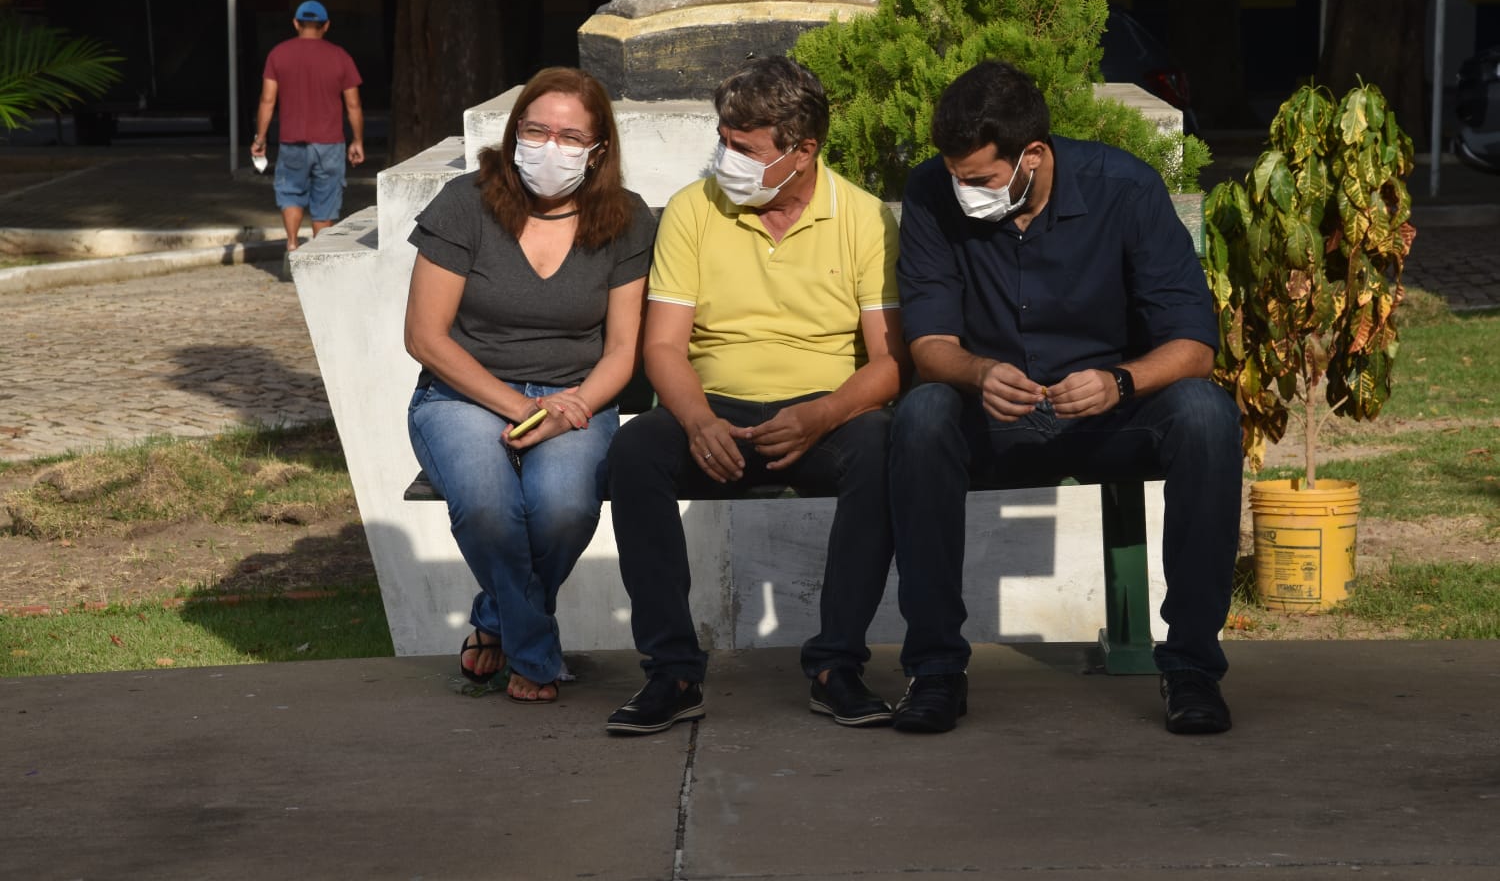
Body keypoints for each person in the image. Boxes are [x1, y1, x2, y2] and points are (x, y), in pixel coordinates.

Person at [888, 60, 1242, 735]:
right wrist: (977, 374)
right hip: (994, 418)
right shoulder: (934, 191)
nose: (965, 193)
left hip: (1110, 414)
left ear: (1034, 156)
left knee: (1205, 415)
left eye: (982, 180)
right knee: (921, 415)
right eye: (956, 178)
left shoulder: (1124, 189)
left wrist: (1122, 382)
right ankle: (934, 670)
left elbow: (1195, 343)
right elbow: (929, 344)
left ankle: (1192, 667)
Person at [604, 56, 907, 736]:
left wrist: (821, 414)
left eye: (745, 148)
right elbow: (662, 348)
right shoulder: (693, 209)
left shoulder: (861, 216)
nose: (726, 158)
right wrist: (697, 419)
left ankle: (837, 667)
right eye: (723, 140)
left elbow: (890, 364)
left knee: (884, 445)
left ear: (803, 152)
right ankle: (672, 671)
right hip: (715, 414)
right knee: (636, 450)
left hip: (825, 413)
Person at [405, 67, 656, 704]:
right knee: (490, 510)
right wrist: (523, 408)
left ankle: (495, 620)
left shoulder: (627, 221)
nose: (551, 146)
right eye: (536, 129)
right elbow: (426, 336)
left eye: (571, 136)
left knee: (565, 509)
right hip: (464, 394)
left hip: (578, 397)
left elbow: (624, 349)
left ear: (598, 148)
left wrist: (571, 408)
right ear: (514, 131)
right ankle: (536, 653)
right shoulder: (465, 203)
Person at [251, 0, 365, 269]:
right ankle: (319, 260)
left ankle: (292, 246)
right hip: (330, 142)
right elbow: (353, 104)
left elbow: (267, 101)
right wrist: (357, 139)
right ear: (326, 25)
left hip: (291, 141)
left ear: (295, 23)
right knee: (325, 202)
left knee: (290, 193)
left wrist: (261, 137)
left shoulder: (278, 55)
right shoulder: (341, 56)